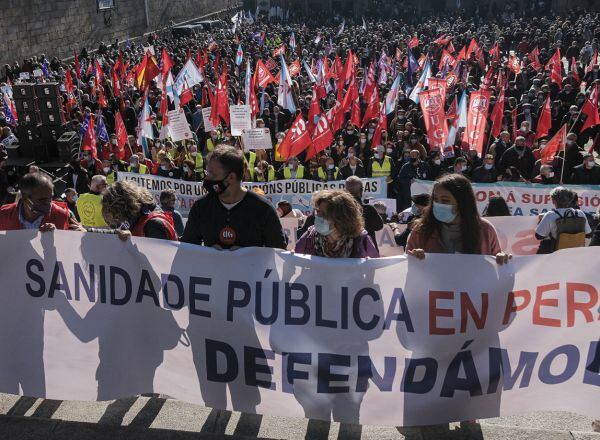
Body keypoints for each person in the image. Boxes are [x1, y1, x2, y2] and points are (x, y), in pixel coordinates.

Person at [182, 146, 287, 249]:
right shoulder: (201, 207)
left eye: (211, 174)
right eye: (207, 172)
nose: (206, 178)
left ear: (231, 177)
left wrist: (249, 253)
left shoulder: (263, 209)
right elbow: (186, 249)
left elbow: (278, 252)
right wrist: (207, 252)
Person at [406, 174, 511, 264]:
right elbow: (405, 268)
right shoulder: (420, 231)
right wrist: (413, 257)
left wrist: (501, 259)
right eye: (435, 199)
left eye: (445, 200)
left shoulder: (485, 230)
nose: (438, 204)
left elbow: (496, 263)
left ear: (462, 203)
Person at [295, 190, 379, 258]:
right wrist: (293, 257)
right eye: (318, 212)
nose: (318, 217)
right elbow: (296, 259)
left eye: (324, 214)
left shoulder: (361, 240)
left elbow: (375, 269)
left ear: (340, 218)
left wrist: (367, 265)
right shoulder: (310, 236)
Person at [0, 172, 81, 231]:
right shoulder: (4, 214)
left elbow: (77, 242)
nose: (48, 203)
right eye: (41, 200)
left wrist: (59, 236)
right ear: (25, 198)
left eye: (50, 198)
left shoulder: (64, 215)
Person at [101, 180, 177, 240]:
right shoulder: (133, 219)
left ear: (123, 206)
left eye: (116, 212)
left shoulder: (153, 224)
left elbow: (160, 257)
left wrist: (133, 240)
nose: (116, 218)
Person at [535, 186, 591, 253]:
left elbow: (539, 236)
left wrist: (542, 219)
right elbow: (588, 234)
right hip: (576, 251)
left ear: (553, 201)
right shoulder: (580, 213)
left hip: (557, 252)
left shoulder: (550, 215)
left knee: (545, 244)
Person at [344, 176, 384, 249]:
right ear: (361, 190)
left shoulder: (339, 210)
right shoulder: (369, 209)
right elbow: (379, 226)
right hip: (367, 252)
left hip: (347, 254)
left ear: (345, 191)